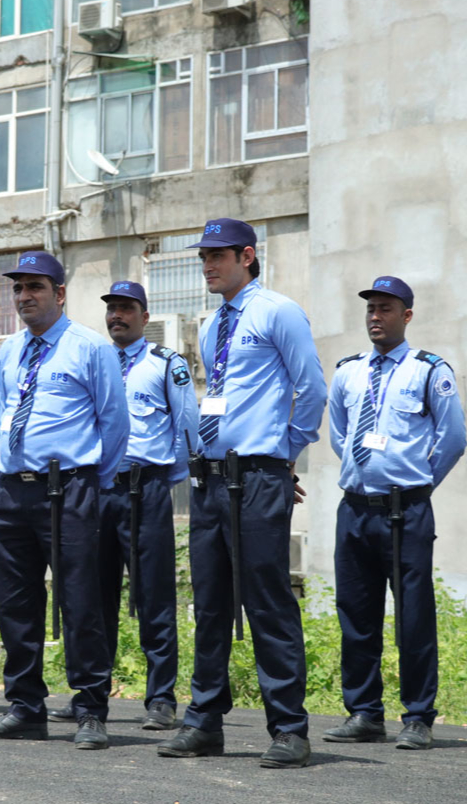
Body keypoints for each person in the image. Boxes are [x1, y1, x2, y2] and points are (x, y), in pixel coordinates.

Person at [157, 219, 327, 768]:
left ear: (247, 256)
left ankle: (289, 729)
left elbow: (312, 388)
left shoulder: (278, 311)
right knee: (208, 603)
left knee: (268, 601)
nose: (207, 265)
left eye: (218, 256)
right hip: (210, 478)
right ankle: (204, 720)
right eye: (203, 256)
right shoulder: (211, 325)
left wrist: (283, 455)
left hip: (257, 477)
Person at [0, 251, 129, 750]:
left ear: (59, 293)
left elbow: (115, 425)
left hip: (71, 489)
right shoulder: (9, 350)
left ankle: (89, 711)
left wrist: (93, 484)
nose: (24, 297)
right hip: (13, 491)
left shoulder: (90, 348)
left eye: (35, 287)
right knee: (15, 603)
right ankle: (25, 707)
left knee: (81, 602)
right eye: (18, 289)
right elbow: (1, 413)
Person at [323, 276, 466, 751]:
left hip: (406, 513)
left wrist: (417, 484)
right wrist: (366, 474)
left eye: (385, 309)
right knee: (356, 615)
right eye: (370, 309)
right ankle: (364, 712)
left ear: (406, 316)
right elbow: (340, 436)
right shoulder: (348, 371)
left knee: (413, 617)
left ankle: (419, 717)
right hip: (356, 511)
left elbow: (453, 439)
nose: (375, 317)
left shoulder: (429, 371)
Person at [48, 282, 198, 730]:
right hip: (95, 492)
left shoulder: (165, 364)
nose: (117, 316)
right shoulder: (94, 361)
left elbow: (186, 423)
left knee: (154, 596)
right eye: (111, 309)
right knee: (91, 599)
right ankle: (90, 696)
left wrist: (167, 480)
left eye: (126, 309)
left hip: (144, 490)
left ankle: (161, 699)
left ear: (144, 315)